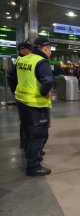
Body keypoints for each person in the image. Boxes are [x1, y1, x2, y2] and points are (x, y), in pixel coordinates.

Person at [7, 38, 54, 176]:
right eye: (50, 49)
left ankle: (31, 156)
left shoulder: (22, 60)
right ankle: (33, 165)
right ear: (45, 48)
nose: (50, 51)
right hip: (36, 104)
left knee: (28, 131)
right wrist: (44, 93)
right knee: (38, 135)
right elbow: (48, 81)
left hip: (22, 101)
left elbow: (11, 78)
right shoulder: (41, 62)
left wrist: (17, 91)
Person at [7, 41, 33, 149]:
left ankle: (26, 143)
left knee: (26, 121)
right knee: (26, 121)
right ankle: (25, 143)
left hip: (26, 96)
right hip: (23, 97)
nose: (31, 50)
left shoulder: (22, 61)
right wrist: (15, 92)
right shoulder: (20, 61)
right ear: (22, 50)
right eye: (29, 48)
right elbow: (11, 79)